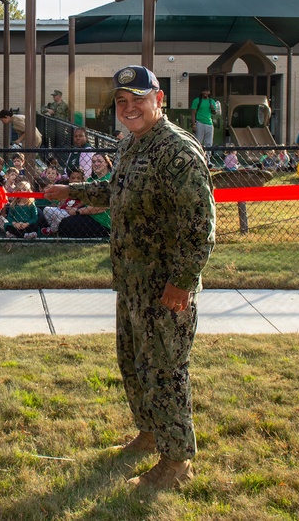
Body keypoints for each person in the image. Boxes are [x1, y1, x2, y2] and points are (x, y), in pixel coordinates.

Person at [45, 65, 215, 491]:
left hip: (165, 288)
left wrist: (181, 282)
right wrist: (74, 190)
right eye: (121, 102)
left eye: (137, 99)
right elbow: (119, 189)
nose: (128, 108)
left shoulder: (177, 151)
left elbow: (201, 227)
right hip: (132, 282)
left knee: (166, 371)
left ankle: (177, 463)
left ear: (159, 100)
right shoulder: (134, 146)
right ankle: (149, 432)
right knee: (135, 364)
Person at [57, 152, 112, 238]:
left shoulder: (109, 179)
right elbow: (84, 197)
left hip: (102, 222)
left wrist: (77, 211)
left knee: (65, 224)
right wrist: (72, 206)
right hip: (89, 216)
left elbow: (100, 207)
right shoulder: (91, 180)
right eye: (93, 162)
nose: (96, 164)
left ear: (107, 163)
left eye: (99, 161)